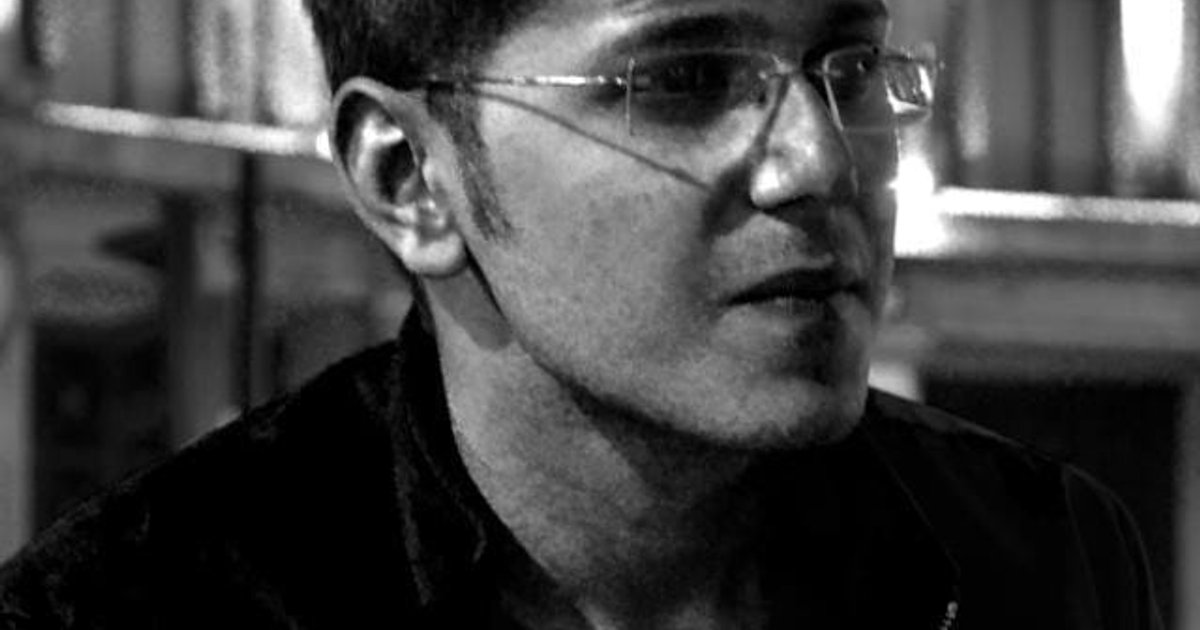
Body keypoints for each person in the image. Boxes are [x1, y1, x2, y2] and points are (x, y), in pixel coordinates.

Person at [0, 0, 1164, 628]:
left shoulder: (1044, 558)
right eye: (686, 80)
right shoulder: (125, 614)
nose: (819, 163)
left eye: (850, 67)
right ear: (410, 176)